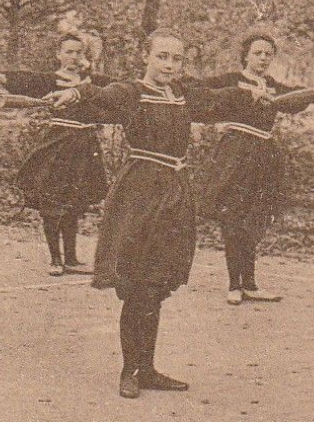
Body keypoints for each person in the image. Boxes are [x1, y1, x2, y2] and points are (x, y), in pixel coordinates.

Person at [47, 30, 262, 398]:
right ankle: (129, 371)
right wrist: (76, 92)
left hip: (174, 192)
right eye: (162, 57)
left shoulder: (182, 93)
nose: (169, 65)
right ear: (146, 57)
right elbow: (102, 94)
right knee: (137, 282)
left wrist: (250, 94)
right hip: (141, 192)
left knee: (157, 283)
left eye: (176, 59)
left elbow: (217, 98)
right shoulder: (133, 93)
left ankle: (147, 368)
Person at [199, 33, 314, 305]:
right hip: (235, 155)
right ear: (246, 55)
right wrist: (226, 108)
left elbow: (295, 98)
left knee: (254, 217)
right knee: (233, 217)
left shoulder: (273, 86)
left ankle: (250, 284)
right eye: (257, 53)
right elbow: (201, 95)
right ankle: (233, 285)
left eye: (268, 54)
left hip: (263, 155)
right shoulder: (231, 80)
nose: (263, 58)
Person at [0, 34, 114, 276]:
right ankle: (56, 259)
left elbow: (119, 89)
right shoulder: (51, 81)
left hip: (85, 149)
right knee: (53, 203)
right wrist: (3, 77)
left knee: (75, 204)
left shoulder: (93, 82)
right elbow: (27, 79)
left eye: (78, 52)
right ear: (58, 55)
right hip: (59, 147)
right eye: (68, 52)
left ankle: (72, 259)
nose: (73, 57)